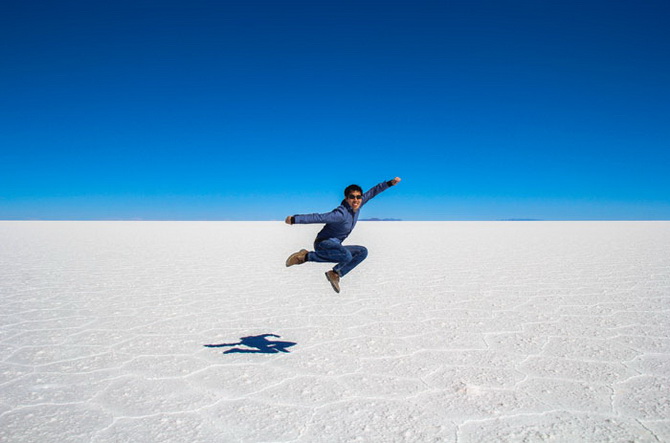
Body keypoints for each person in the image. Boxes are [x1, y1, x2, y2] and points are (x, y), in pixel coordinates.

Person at [285, 177, 402, 293]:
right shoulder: (340, 213)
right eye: (352, 197)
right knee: (346, 256)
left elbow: (373, 192)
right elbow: (319, 217)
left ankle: (335, 273)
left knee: (362, 252)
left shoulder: (358, 205)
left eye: (358, 197)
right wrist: (295, 219)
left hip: (336, 244)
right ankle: (305, 256)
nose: (355, 200)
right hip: (323, 243)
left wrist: (390, 183)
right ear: (346, 199)